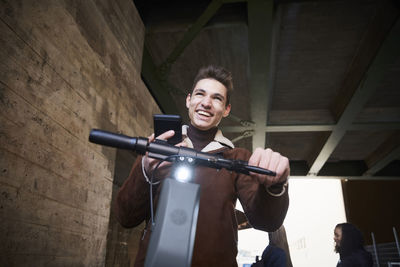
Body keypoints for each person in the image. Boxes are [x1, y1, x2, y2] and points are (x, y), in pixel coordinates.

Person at [116, 65, 290, 267]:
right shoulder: (158, 148)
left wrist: (275, 186)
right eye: (200, 94)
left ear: (226, 110)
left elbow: (267, 221)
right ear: (189, 100)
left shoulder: (237, 158)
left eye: (217, 98)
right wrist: (145, 170)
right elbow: (125, 217)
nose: (206, 103)